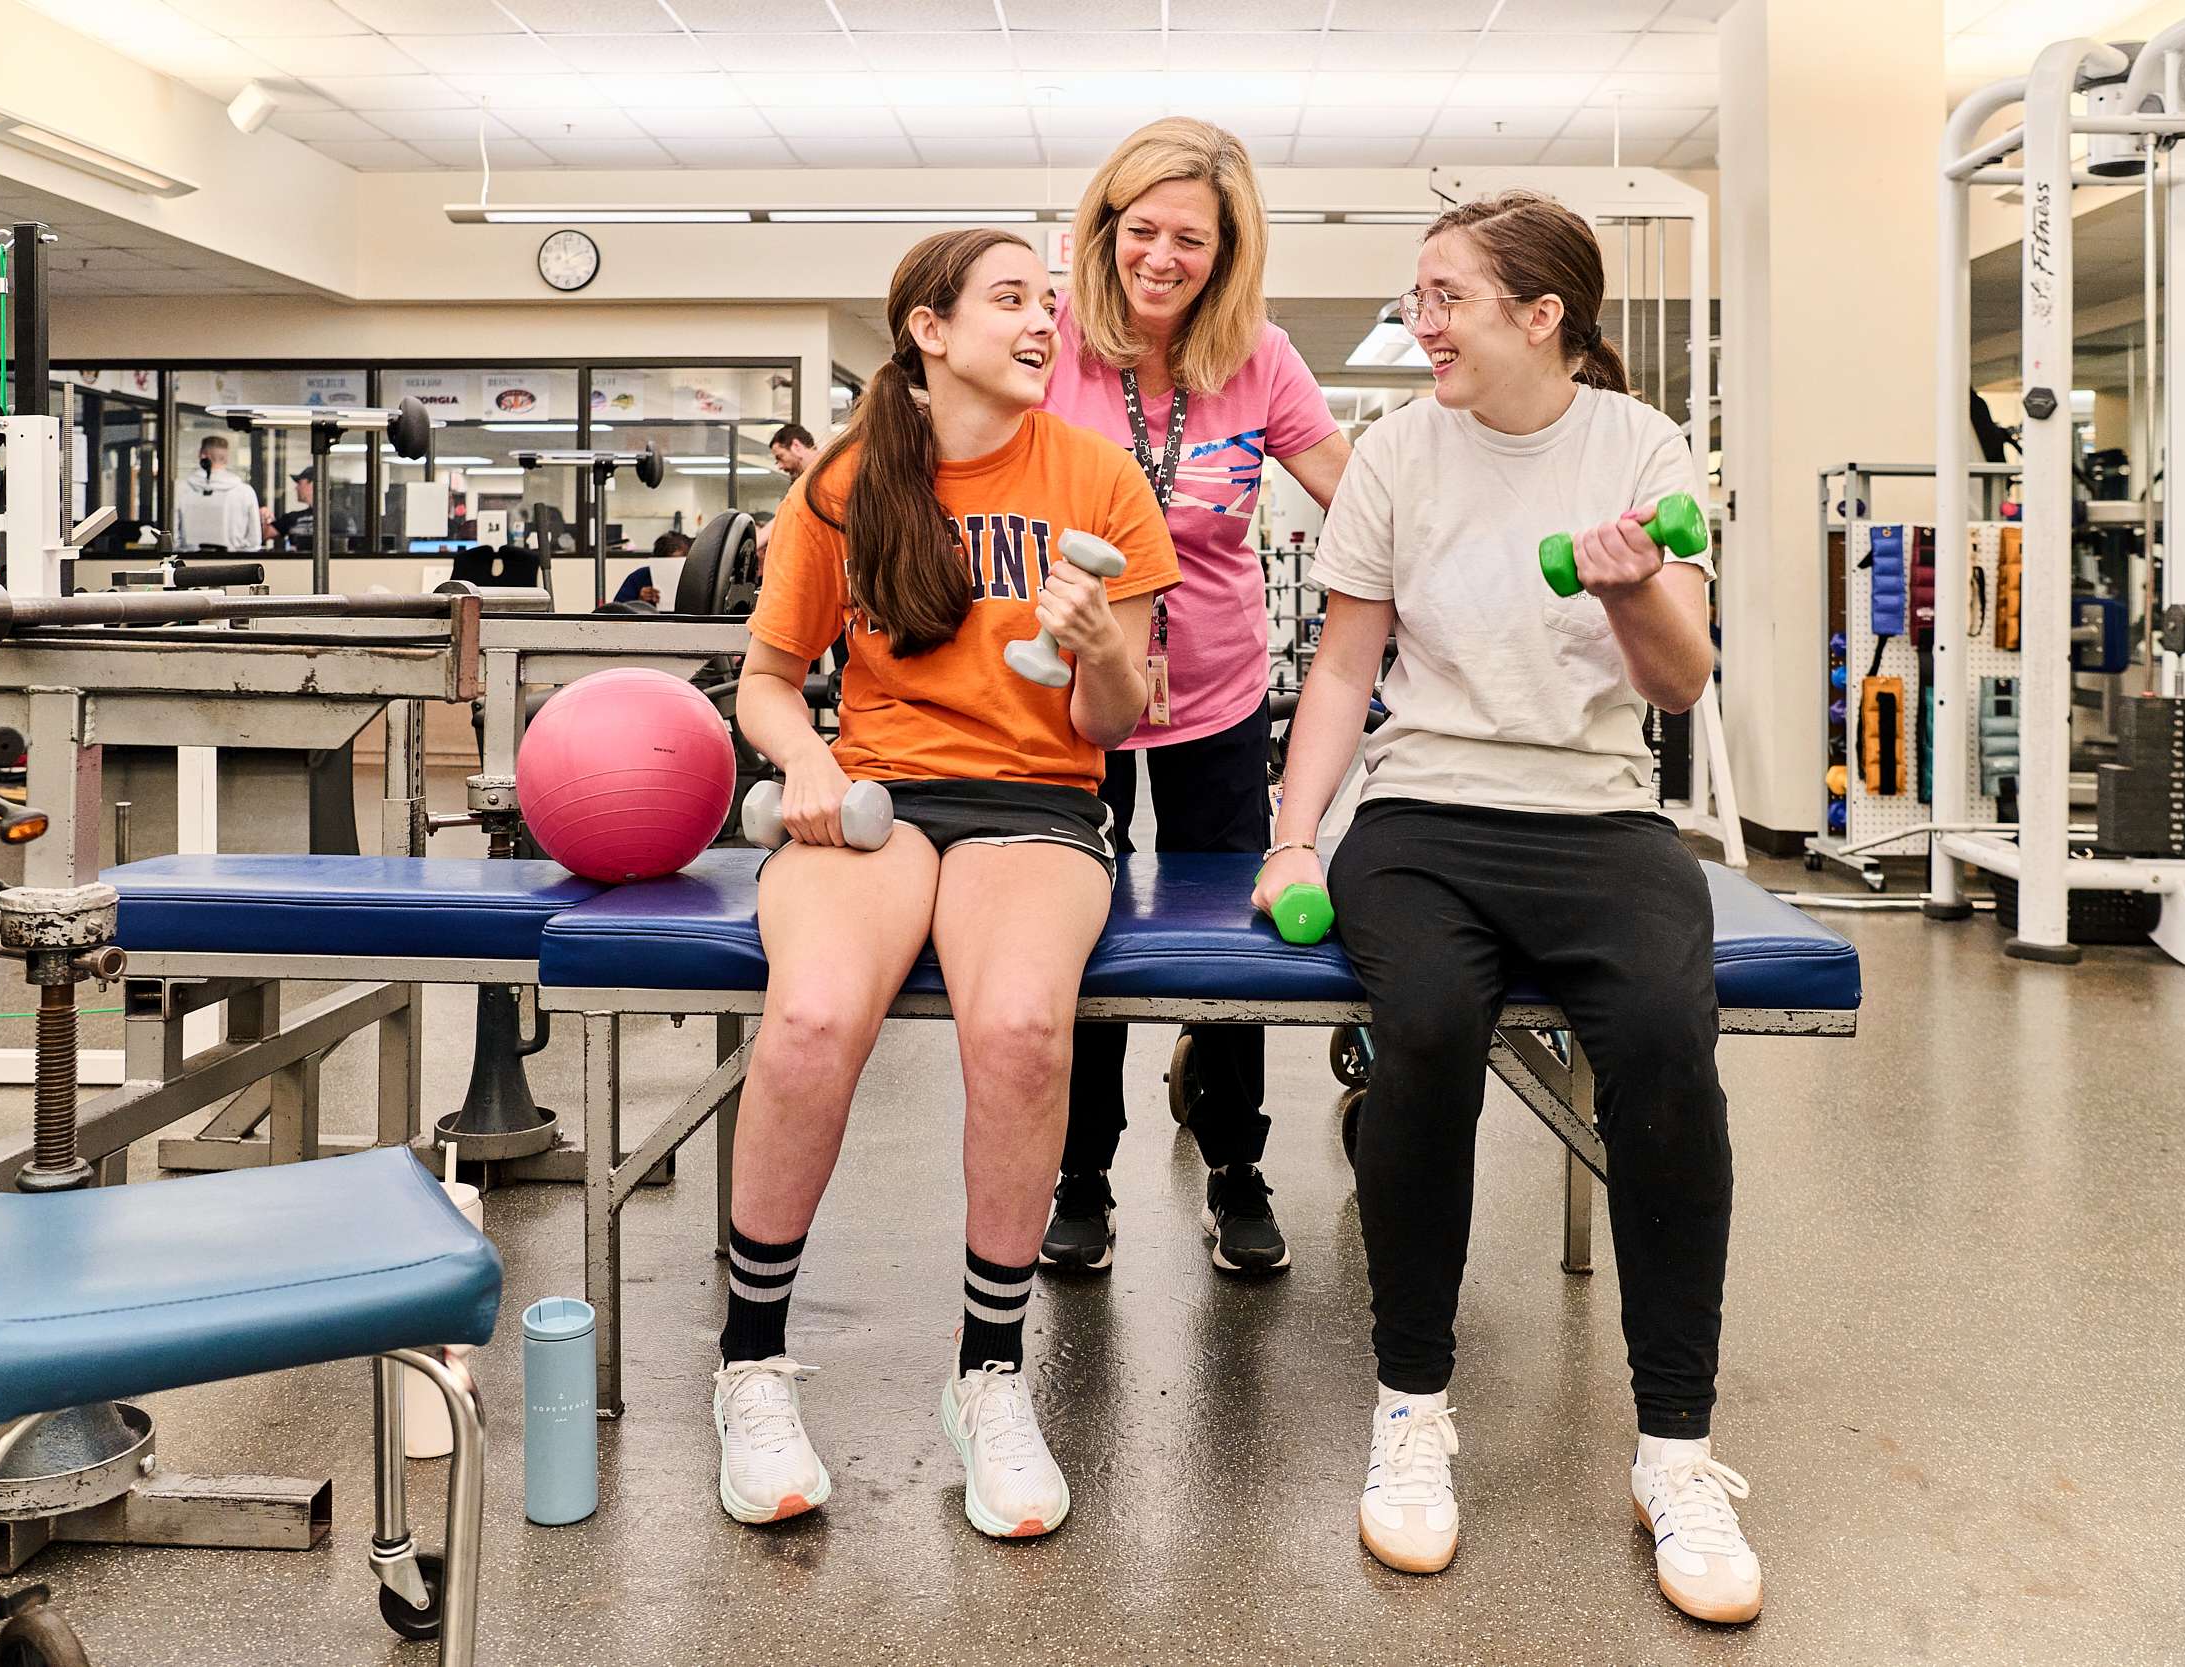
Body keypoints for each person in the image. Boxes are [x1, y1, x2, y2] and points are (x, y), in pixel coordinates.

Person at [1257, 191, 1755, 1619]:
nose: (1421, 323)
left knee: (1664, 1041)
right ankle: (1411, 1407)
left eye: (1447, 298)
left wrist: (1632, 588)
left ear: (1543, 316)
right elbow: (1346, 666)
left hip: (1599, 814)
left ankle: (1676, 1451)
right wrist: (1293, 841)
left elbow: (1678, 680)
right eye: (1417, 297)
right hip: (1423, 815)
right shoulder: (1396, 453)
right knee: (1422, 1029)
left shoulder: (1640, 446)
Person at [715, 228, 1178, 1541]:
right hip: (875, 797)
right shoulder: (847, 480)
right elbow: (765, 679)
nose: (1043, 323)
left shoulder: (1098, 477)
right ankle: (750, 1365)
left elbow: (1112, 718)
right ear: (928, 329)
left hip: (1036, 800)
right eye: (1011, 299)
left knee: (1023, 1029)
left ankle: (989, 1375)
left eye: (1049, 304)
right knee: (812, 1019)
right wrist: (808, 759)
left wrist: (1096, 649)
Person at [1035, 117, 1351, 1279]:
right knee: (1075, 922)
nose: (1160, 257)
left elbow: (1356, 497)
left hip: (1216, 691)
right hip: (1073, 691)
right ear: (1106, 226)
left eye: (1191, 240)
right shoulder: (1050, 341)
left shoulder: (1258, 356)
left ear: (1226, 253)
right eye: (1142, 229)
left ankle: (1234, 1162)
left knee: (1231, 930)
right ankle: (1080, 1171)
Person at [176, 435, 264, 551]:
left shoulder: (181, 489)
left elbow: (172, 537)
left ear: (202, 456)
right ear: (226, 459)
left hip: (189, 560)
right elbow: (254, 541)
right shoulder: (245, 492)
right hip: (233, 560)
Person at [272, 466, 354, 549]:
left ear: (313, 484)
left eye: (299, 483)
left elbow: (344, 547)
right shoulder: (291, 518)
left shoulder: (340, 518)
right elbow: (267, 533)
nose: (296, 488)